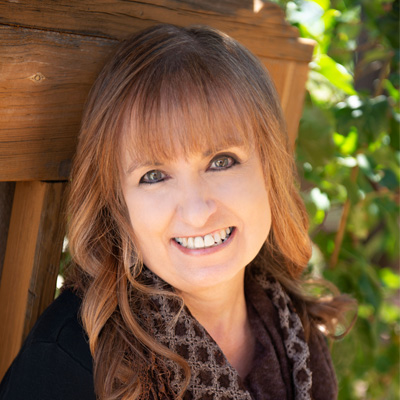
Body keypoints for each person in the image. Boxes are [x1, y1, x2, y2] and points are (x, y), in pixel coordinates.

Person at [0, 24, 354, 400]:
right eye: (153, 176)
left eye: (222, 162)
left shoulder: (294, 328)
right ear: (117, 204)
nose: (197, 212)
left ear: (272, 171)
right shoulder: (71, 366)